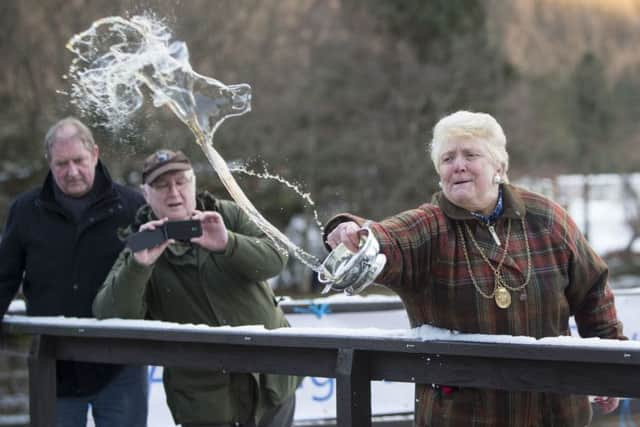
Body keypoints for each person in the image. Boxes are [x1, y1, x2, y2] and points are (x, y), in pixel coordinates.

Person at [324, 111, 625, 426]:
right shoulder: (429, 225)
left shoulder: (546, 218)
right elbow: (387, 238)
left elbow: (593, 289)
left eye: (470, 154)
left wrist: (608, 365)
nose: (458, 165)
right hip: (463, 414)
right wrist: (352, 230)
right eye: (447, 158)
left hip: (553, 411)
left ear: (499, 166)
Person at [93, 149, 299, 427]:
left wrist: (229, 244)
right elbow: (109, 316)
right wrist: (139, 267)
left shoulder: (227, 214)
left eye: (181, 182)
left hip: (271, 383)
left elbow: (277, 258)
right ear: (146, 194)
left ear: (193, 184)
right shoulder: (140, 240)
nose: (173, 193)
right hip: (206, 403)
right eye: (162, 185)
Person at [0, 117, 148, 427]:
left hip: (120, 365)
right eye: (61, 164)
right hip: (54, 365)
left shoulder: (132, 207)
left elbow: (155, 275)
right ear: (49, 163)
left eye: (79, 160)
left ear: (95, 153)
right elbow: (4, 277)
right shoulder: (25, 211)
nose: (72, 172)